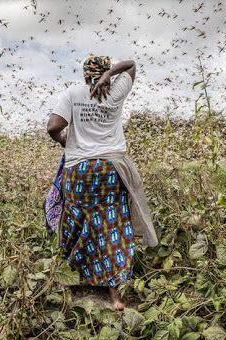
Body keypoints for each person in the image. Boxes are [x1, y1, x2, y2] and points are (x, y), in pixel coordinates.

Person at [47, 56, 158, 310]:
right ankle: (116, 297)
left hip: (79, 171)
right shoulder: (115, 90)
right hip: (110, 169)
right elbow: (131, 64)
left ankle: (68, 282)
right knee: (112, 225)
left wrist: (64, 140)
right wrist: (111, 74)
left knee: (74, 221)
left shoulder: (72, 93)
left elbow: (53, 126)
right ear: (105, 73)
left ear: (85, 75)